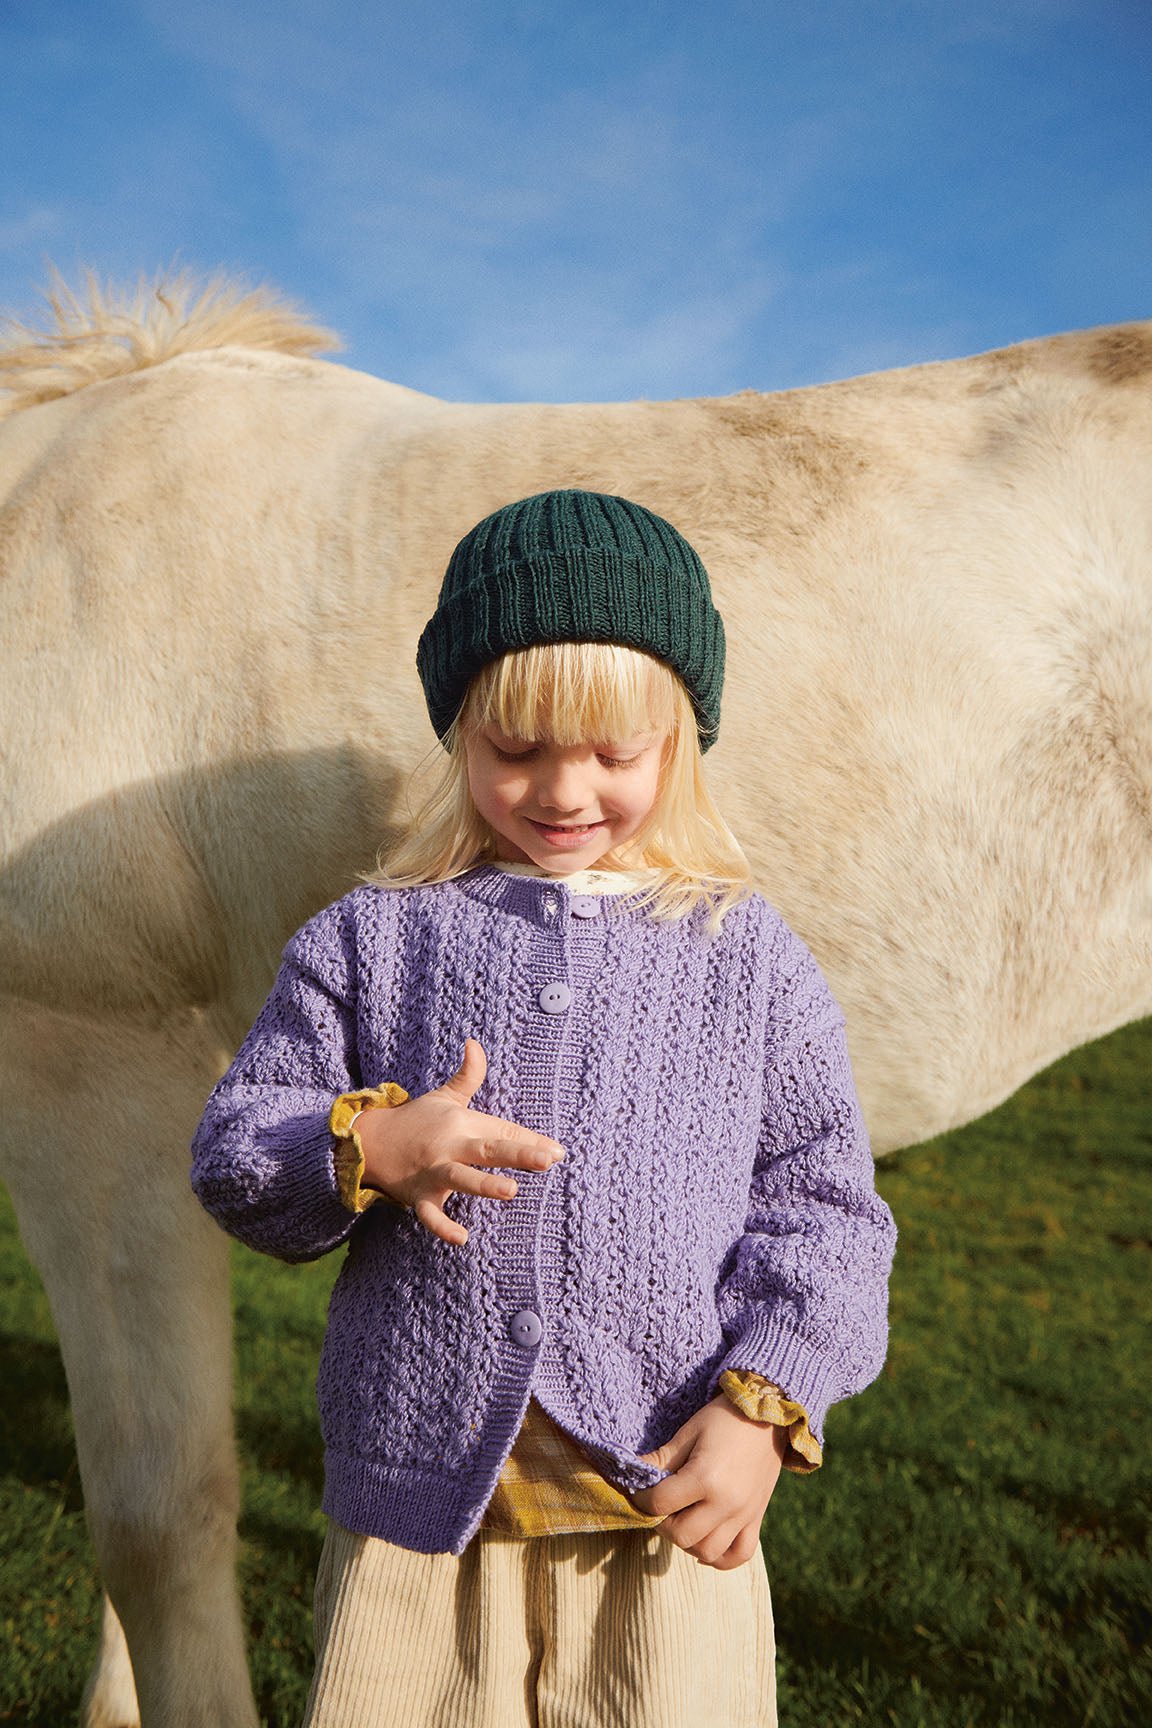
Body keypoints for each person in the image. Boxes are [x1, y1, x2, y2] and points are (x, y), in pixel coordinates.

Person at [191, 488, 897, 1728]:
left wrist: (761, 1410)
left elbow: (825, 1210)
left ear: (680, 740)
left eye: (614, 754)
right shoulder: (374, 938)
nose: (564, 791)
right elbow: (236, 1153)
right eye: (516, 748)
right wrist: (367, 1147)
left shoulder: (747, 956)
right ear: (459, 735)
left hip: (665, 1513)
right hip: (420, 1530)